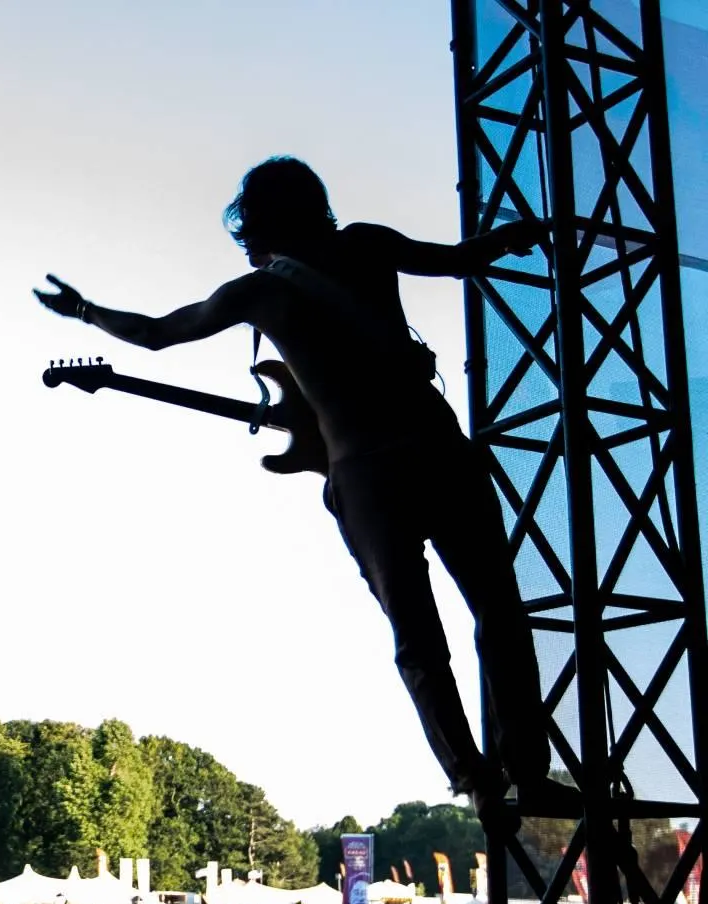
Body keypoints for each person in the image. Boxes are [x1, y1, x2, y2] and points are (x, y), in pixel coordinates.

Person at [36, 156, 580, 835]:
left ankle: (476, 779)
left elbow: (155, 332)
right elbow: (463, 259)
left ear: (256, 223)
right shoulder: (367, 244)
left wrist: (85, 311)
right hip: (438, 448)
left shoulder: (258, 294)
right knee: (499, 611)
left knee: (419, 641)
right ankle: (529, 774)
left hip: (368, 478)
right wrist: (515, 236)